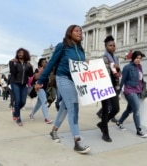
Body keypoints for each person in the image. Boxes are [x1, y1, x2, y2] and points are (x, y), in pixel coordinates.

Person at [34, 25, 90, 154]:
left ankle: (53, 131)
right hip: (63, 78)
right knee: (74, 107)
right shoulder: (62, 46)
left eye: (81, 31)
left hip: (75, 81)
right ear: (69, 33)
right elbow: (51, 63)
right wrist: (40, 81)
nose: (80, 33)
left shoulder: (81, 50)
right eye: (76, 30)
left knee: (65, 108)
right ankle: (77, 141)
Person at [115, 51, 147, 138]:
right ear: (133, 58)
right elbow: (122, 81)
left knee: (129, 109)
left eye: (140, 58)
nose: (138, 60)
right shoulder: (127, 67)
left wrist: (144, 90)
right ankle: (139, 130)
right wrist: (118, 93)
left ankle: (119, 122)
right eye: (137, 58)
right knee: (137, 109)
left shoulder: (140, 67)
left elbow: (141, 81)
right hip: (129, 91)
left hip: (137, 91)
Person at [96, 35, 121, 142]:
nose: (112, 47)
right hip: (104, 86)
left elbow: (117, 74)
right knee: (105, 109)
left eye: (114, 45)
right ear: (106, 47)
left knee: (116, 108)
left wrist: (118, 68)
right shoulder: (103, 58)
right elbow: (100, 73)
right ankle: (105, 133)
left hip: (112, 86)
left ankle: (102, 123)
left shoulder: (115, 59)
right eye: (110, 45)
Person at [9, 48, 33, 126]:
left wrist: (30, 67)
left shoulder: (27, 63)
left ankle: (15, 112)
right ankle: (18, 118)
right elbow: (13, 72)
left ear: (25, 54)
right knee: (18, 100)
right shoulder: (13, 62)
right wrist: (12, 63)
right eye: (19, 53)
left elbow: (30, 75)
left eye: (22, 53)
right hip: (15, 83)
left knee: (23, 102)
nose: (20, 54)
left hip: (24, 84)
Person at [29, 58, 53, 124]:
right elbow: (35, 77)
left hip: (45, 88)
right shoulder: (37, 69)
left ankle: (31, 114)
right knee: (44, 101)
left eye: (45, 62)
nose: (44, 63)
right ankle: (46, 118)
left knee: (39, 103)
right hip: (39, 87)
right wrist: (41, 71)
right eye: (43, 62)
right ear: (40, 63)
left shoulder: (47, 70)